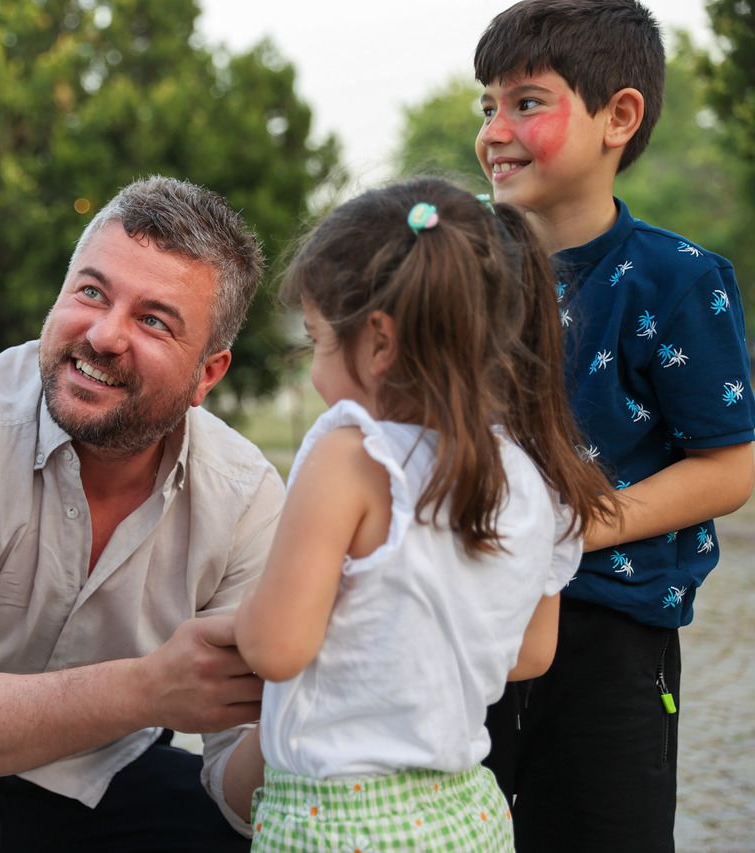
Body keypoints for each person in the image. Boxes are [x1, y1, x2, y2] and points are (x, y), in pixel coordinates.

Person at [0, 175, 284, 853]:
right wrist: (149, 690)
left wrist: (305, 717)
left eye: (154, 320)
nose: (102, 335)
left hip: (106, 772)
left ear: (207, 375)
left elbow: (239, 781)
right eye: (91, 292)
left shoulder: (245, 496)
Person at [225, 178, 617, 852]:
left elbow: (275, 647)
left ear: (379, 342)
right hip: (468, 812)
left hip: (341, 824)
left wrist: (238, 616)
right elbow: (529, 651)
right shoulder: (537, 474)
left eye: (319, 342)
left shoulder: (352, 456)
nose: (317, 373)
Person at [472, 2, 755, 849]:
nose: (494, 130)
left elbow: (729, 467)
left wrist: (568, 527)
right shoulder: (455, 268)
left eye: (526, 102)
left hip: (612, 634)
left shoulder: (678, 280)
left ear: (618, 117)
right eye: (484, 106)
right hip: (464, 619)